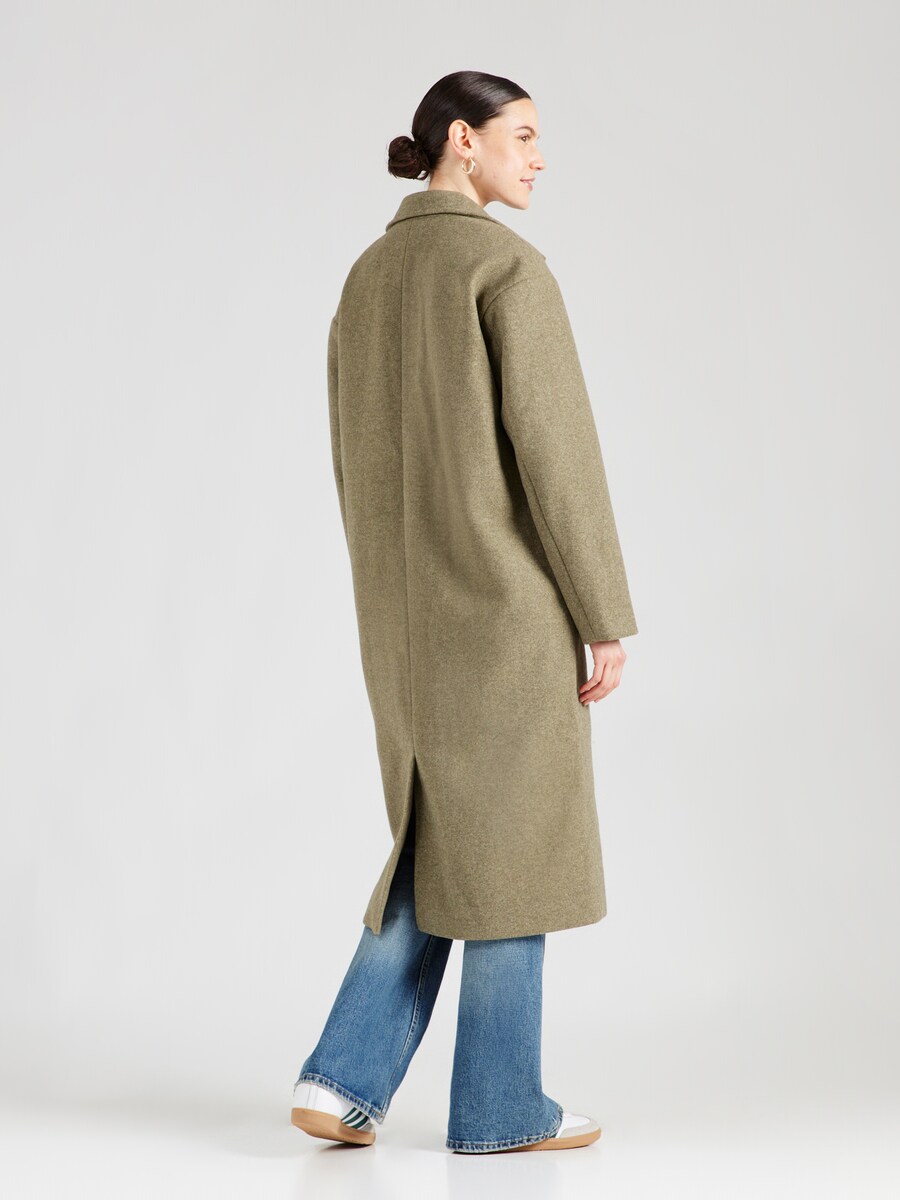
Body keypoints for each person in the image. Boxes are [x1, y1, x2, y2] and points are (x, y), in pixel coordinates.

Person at [292, 70, 638, 1154]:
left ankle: (341, 1079)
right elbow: (560, 461)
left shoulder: (368, 277)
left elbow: (351, 462)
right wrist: (601, 611)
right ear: (461, 140)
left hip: (400, 620)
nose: (538, 158)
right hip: (504, 612)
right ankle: (497, 1104)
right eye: (522, 136)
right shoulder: (504, 267)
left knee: (441, 837)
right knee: (514, 846)